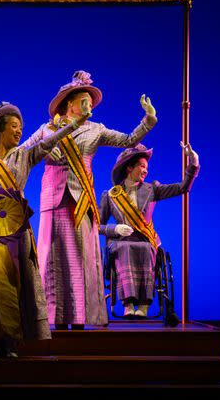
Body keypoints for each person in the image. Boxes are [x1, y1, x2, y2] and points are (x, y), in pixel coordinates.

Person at [22, 70, 158, 330]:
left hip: (81, 200)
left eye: (90, 101)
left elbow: (128, 140)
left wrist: (148, 120)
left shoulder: (96, 129)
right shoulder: (47, 128)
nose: (89, 105)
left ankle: (81, 317)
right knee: (53, 259)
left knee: (81, 260)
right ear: (69, 103)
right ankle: (52, 317)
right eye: (83, 100)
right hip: (54, 198)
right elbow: (24, 154)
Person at [0, 102, 89, 358]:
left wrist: (75, 125)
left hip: (17, 229)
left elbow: (48, 142)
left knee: (16, 282)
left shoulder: (24, 155)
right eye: (14, 126)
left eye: (21, 127)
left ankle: (10, 341)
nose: (19, 131)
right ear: (0, 129)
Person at [99, 142, 199, 317]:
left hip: (146, 240)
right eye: (142, 166)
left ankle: (144, 306)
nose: (146, 171)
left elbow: (183, 187)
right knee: (125, 248)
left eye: (147, 168)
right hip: (121, 242)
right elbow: (96, 226)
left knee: (146, 249)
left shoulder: (152, 189)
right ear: (129, 167)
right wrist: (114, 229)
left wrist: (194, 162)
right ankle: (128, 305)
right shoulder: (110, 195)